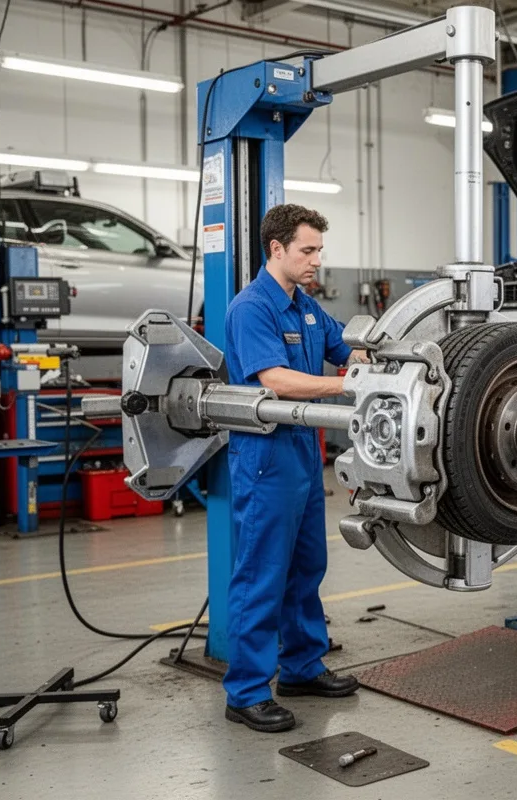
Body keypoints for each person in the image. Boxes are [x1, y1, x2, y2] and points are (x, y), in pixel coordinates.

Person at [222, 203, 362, 733]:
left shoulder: (304, 306)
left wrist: (376, 356)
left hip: (303, 451)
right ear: (276, 249)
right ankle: (246, 691)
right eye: (308, 250)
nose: (316, 261)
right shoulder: (251, 308)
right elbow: (276, 379)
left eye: (320, 251)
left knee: (306, 568)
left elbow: (343, 346)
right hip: (265, 458)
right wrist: (348, 385)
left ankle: (301, 666)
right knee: (262, 574)